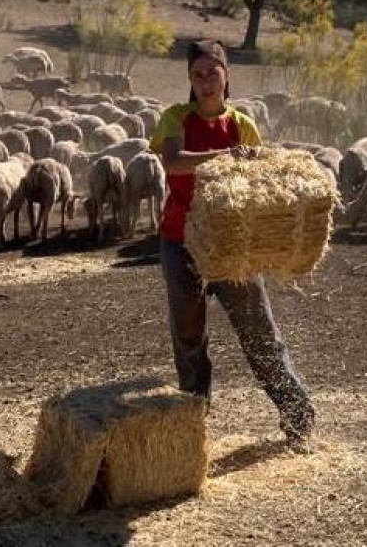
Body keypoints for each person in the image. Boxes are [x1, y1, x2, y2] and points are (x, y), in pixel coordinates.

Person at [149, 39, 315, 451]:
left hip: (235, 249)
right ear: (190, 81)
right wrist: (224, 155)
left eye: (213, 72)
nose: (206, 82)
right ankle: (194, 429)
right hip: (181, 242)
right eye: (198, 75)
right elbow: (171, 163)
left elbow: (259, 182)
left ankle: (298, 416)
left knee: (260, 333)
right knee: (189, 339)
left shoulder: (243, 123)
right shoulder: (175, 118)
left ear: (226, 75)